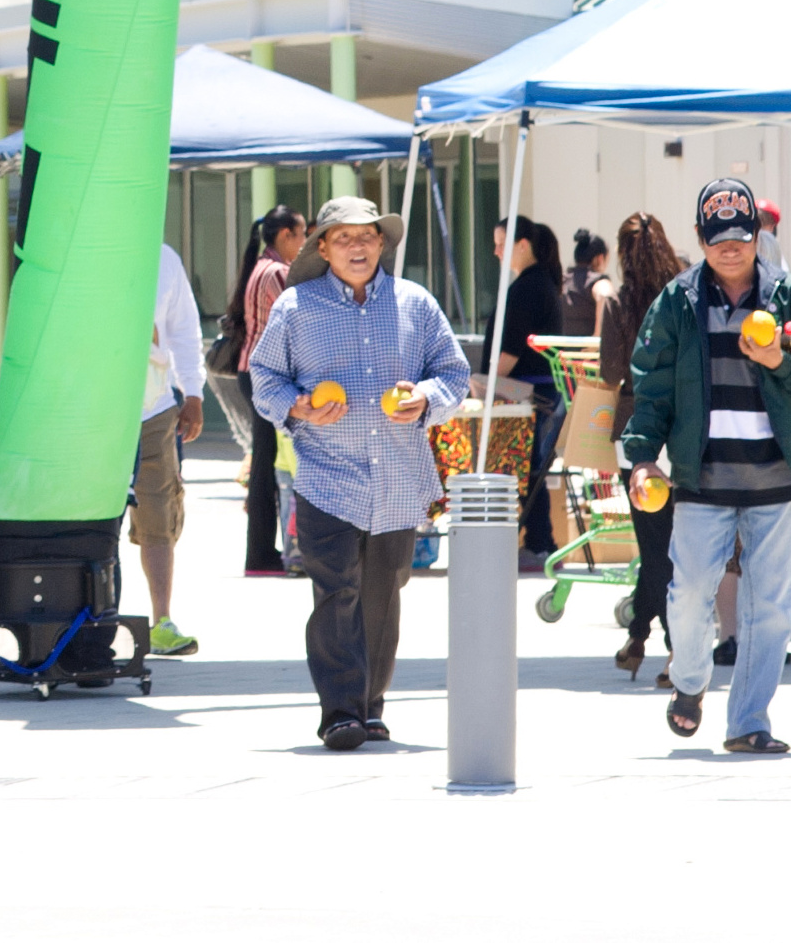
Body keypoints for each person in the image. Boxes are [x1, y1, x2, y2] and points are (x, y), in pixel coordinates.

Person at [618, 177, 791, 753]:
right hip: (701, 478)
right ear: (700, 238)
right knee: (689, 593)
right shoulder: (676, 303)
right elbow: (652, 389)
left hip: (777, 476)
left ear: (757, 236)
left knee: (768, 609)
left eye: (740, 238)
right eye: (717, 239)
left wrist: (781, 361)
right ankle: (691, 682)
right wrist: (643, 458)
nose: (729, 249)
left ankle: (749, 723)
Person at [247, 195, 470, 751]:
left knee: (383, 592)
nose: (357, 246)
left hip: (398, 477)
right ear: (321, 247)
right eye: (343, 237)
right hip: (327, 475)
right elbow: (264, 376)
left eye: (367, 236)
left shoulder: (415, 303)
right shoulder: (295, 308)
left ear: (382, 245)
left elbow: (453, 372)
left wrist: (425, 397)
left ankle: (371, 706)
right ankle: (339, 711)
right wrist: (297, 406)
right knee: (335, 589)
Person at [599, 212, 682, 675]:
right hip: (683, 429)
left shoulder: (620, 303)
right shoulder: (684, 296)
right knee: (672, 544)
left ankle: (673, 650)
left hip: (635, 433)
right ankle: (640, 636)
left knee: (654, 545)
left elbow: (612, 372)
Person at [132, 244, 208, 656]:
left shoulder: (163, 258)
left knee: (158, 517)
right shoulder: (85, 246)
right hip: (92, 412)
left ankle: (161, 621)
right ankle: (93, 616)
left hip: (154, 408)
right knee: (91, 515)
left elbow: (182, 329)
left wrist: (192, 392)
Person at [227, 206, 307, 576]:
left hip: (252, 372)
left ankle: (261, 552)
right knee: (265, 467)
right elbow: (301, 317)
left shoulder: (261, 266)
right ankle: (260, 554)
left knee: (264, 463)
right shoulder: (276, 272)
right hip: (262, 376)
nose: (305, 243)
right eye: (302, 234)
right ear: (286, 236)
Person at [487, 216, 567, 565]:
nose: (496, 251)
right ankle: (538, 540)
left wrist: (487, 385)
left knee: (529, 469)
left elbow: (512, 349)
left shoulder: (529, 287)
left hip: (528, 394)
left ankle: (539, 542)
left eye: (501, 243)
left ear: (523, 245)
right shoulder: (537, 283)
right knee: (531, 468)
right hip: (537, 392)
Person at [561, 227, 609, 338]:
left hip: (561, 352)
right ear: (600, 258)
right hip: (589, 352)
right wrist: (597, 336)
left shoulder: (562, 280)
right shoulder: (598, 281)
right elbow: (604, 295)